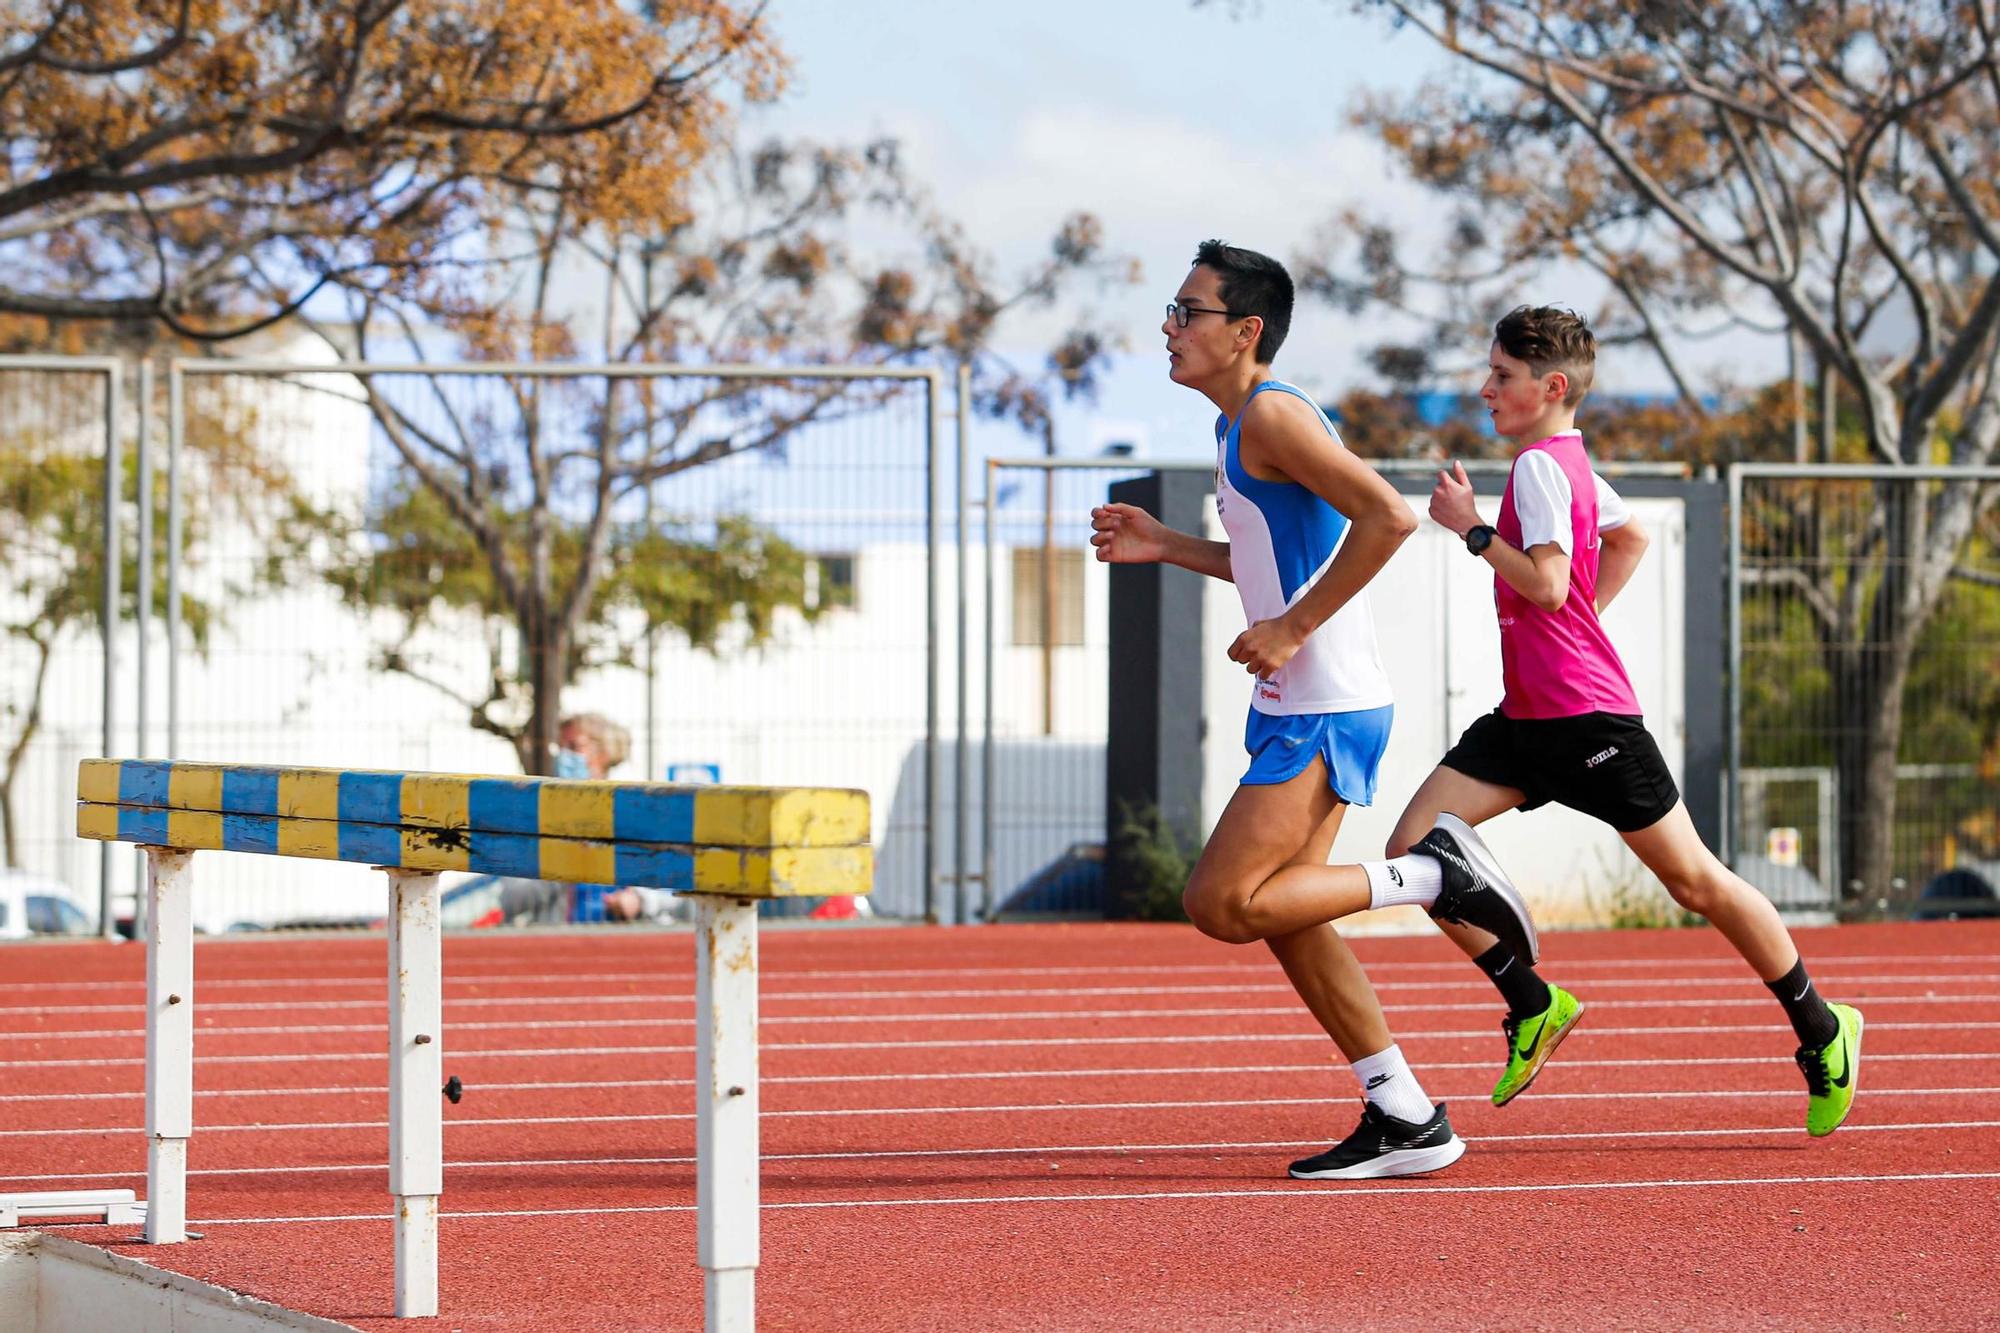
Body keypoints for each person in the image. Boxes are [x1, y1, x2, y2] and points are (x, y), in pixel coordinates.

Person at [1089, 240, 1539, 1180]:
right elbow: (1270, 563)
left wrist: (1292, 629)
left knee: (1220, 900)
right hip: (1300, 697)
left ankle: (1432, 880)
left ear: (1246, 331)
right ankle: (1404, 1112)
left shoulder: (1274, 416)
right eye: (1170, 311)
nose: (1169, 329)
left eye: (1189, 311)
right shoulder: (1235, 427)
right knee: (1285, 914)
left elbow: (1389, 515)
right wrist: (1170, 545)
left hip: (1324, 702)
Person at [1408, 304, 1862, 1135]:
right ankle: (1534, 1003)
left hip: (1589, 726)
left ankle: (1824, 1030)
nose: (1484, 389)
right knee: (1416, 845)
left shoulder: (1541, 470)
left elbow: (1546, 587)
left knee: (1695, 882)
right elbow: (1630, 540)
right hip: (1525, 722)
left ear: (1550, 387)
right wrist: (1578, 620)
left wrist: (1470, 530)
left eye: (1501, 377)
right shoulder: (1566, 463)